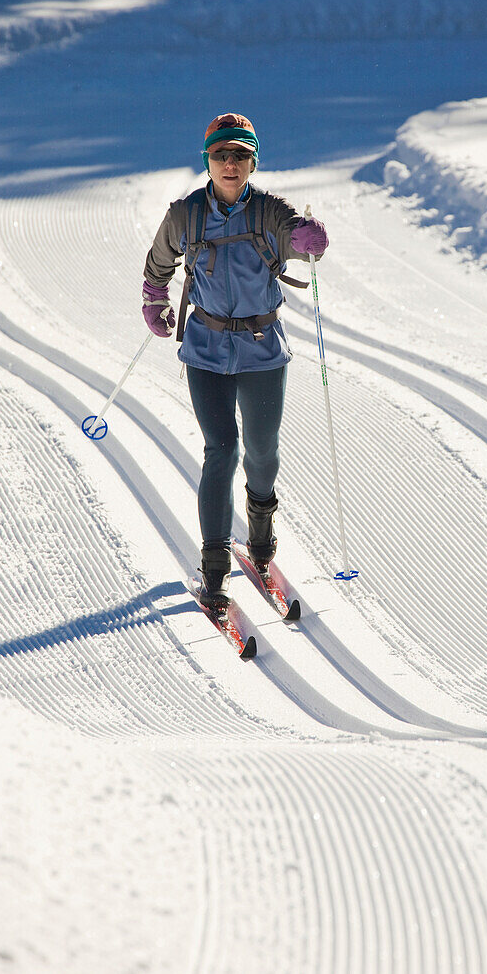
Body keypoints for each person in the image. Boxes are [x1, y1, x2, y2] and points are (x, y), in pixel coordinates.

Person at [142, 113, 329, 612]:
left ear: (252, 162)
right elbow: (158, 263)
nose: (230, 163)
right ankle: (215, 566)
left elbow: (298, 237)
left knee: (262, 451)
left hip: (263, 350)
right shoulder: (185, 215)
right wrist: (153, 300)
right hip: (205, 350)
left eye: (240, 155)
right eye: (221, 154)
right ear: (207, 159)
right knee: (220, 448)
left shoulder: (270, 211)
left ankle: (262, 531)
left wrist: (311, 240)